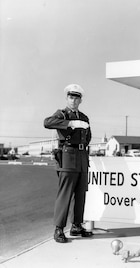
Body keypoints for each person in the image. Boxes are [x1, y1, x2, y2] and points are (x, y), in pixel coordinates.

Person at [44, 84, 93, 243]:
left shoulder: (84, 117)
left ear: (80, 100)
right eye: (71, 97)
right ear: (67, 98)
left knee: (80, 193)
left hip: (82, 156)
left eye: (76, 98)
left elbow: (88, 137)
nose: (73, 100)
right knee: (65, 194)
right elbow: (47, 122)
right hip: (68, 155)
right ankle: (59, 228)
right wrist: (71, 124)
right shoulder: (62, 114)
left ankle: (76, 225)